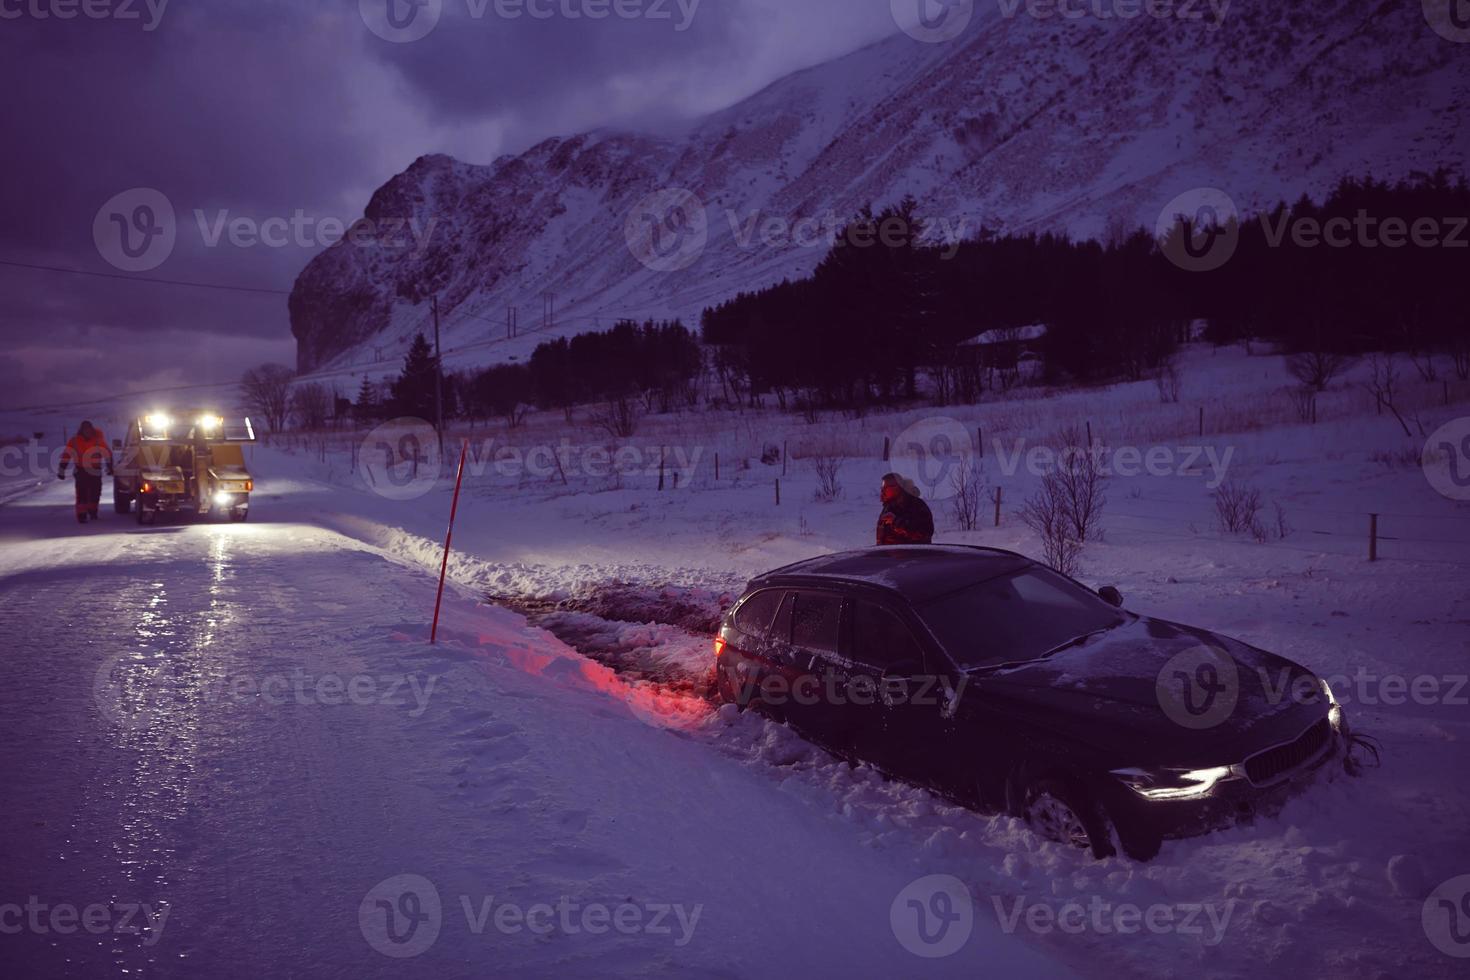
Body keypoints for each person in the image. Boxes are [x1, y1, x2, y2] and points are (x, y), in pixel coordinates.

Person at [58, 420, 113, 524]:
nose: (87, 431)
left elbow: (107, 454)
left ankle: (93, 511)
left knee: (95, 492)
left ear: (92, 430)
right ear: (81, 430)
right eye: (85, 429)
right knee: (81, 493)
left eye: (89, 429)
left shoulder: (98, 441)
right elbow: (66, 455)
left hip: (95, 470)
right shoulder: (74, 441)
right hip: (81, 470)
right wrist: (61, 470)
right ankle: (81, 515)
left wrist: (110, 467)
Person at [877, 472, 934, 546]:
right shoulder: (888, 507)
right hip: (891, 556)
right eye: (882, 488)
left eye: (885, 487)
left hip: (914, 556)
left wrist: (896, 522)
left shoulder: (916, 506)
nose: (882, 491)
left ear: (897, 487)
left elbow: (924, 533)